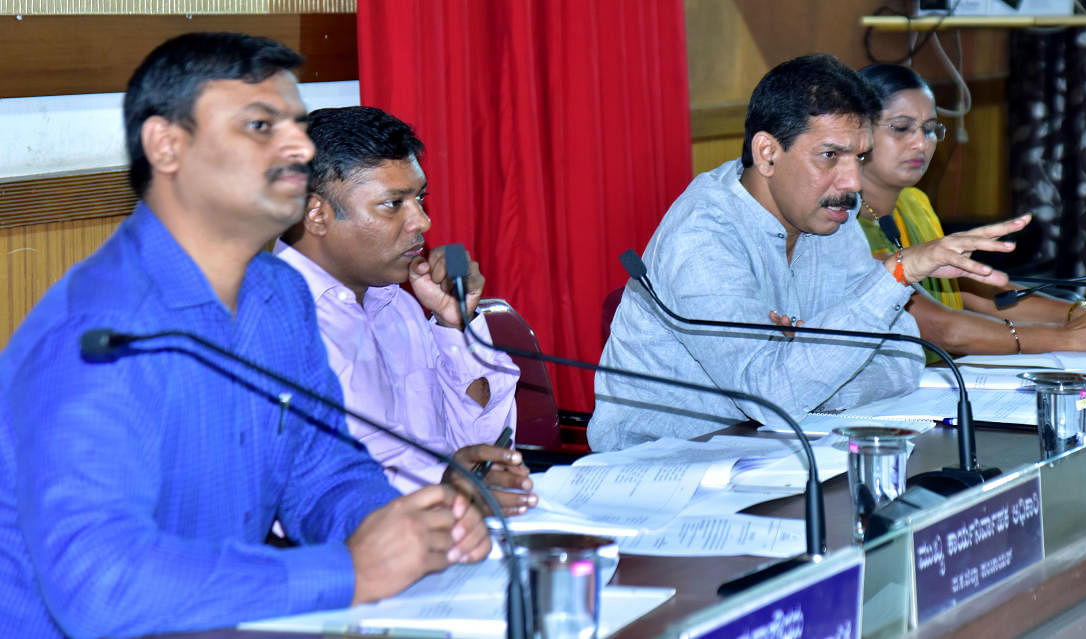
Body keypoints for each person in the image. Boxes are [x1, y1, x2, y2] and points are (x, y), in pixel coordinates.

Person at [0, 33, 489, 639]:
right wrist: (349, 569)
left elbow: (321, 473)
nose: (296, 147)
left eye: (296, 124)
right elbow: (102, 586)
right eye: (261, 126)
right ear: (168, 145)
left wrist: (404, 526)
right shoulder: (96, 333)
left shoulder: (277, 295)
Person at [589, 54, 1029, 451]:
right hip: (660, 471)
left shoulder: (828, 214)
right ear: (767, 153)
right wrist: (893, 276)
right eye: (830, 156)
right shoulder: (703, 238)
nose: (852, 183)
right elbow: (772, 398)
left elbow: (904, 356)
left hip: (776, 454)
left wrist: (805, 366)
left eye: (858, 158)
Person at [275, 106, 535, 515]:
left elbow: (486, 447)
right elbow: (304, 495)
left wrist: (455, 325)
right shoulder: (271, 321)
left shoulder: (397, 304)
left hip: (448, 534)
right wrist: (444, 486)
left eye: (420, 197)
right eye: (393, 204)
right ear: (316, 213)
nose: (423, 221)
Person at [856, 63, 1086, 356]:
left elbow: (975, 291)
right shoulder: (841, 224)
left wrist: (1080, 316)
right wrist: (1066, 337)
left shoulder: (913, 203)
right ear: (858, 131)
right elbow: (939, 328)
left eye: (930, 129)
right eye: (901, 128)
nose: (921, 143)